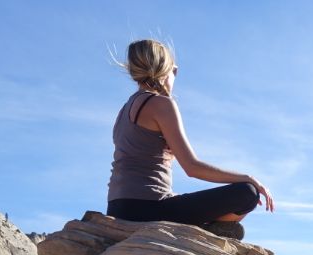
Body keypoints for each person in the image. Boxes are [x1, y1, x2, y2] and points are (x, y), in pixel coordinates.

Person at [106, 39, 274, 239]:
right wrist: (248, 178)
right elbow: (192, 168)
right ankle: (205, 229)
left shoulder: (125, 109)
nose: (175, 75)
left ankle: (204, 227)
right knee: (248, 193)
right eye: (174, 70)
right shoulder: (160, 103)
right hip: (147, 210)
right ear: (164, 70)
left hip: (118, 208)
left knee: (186, 200)